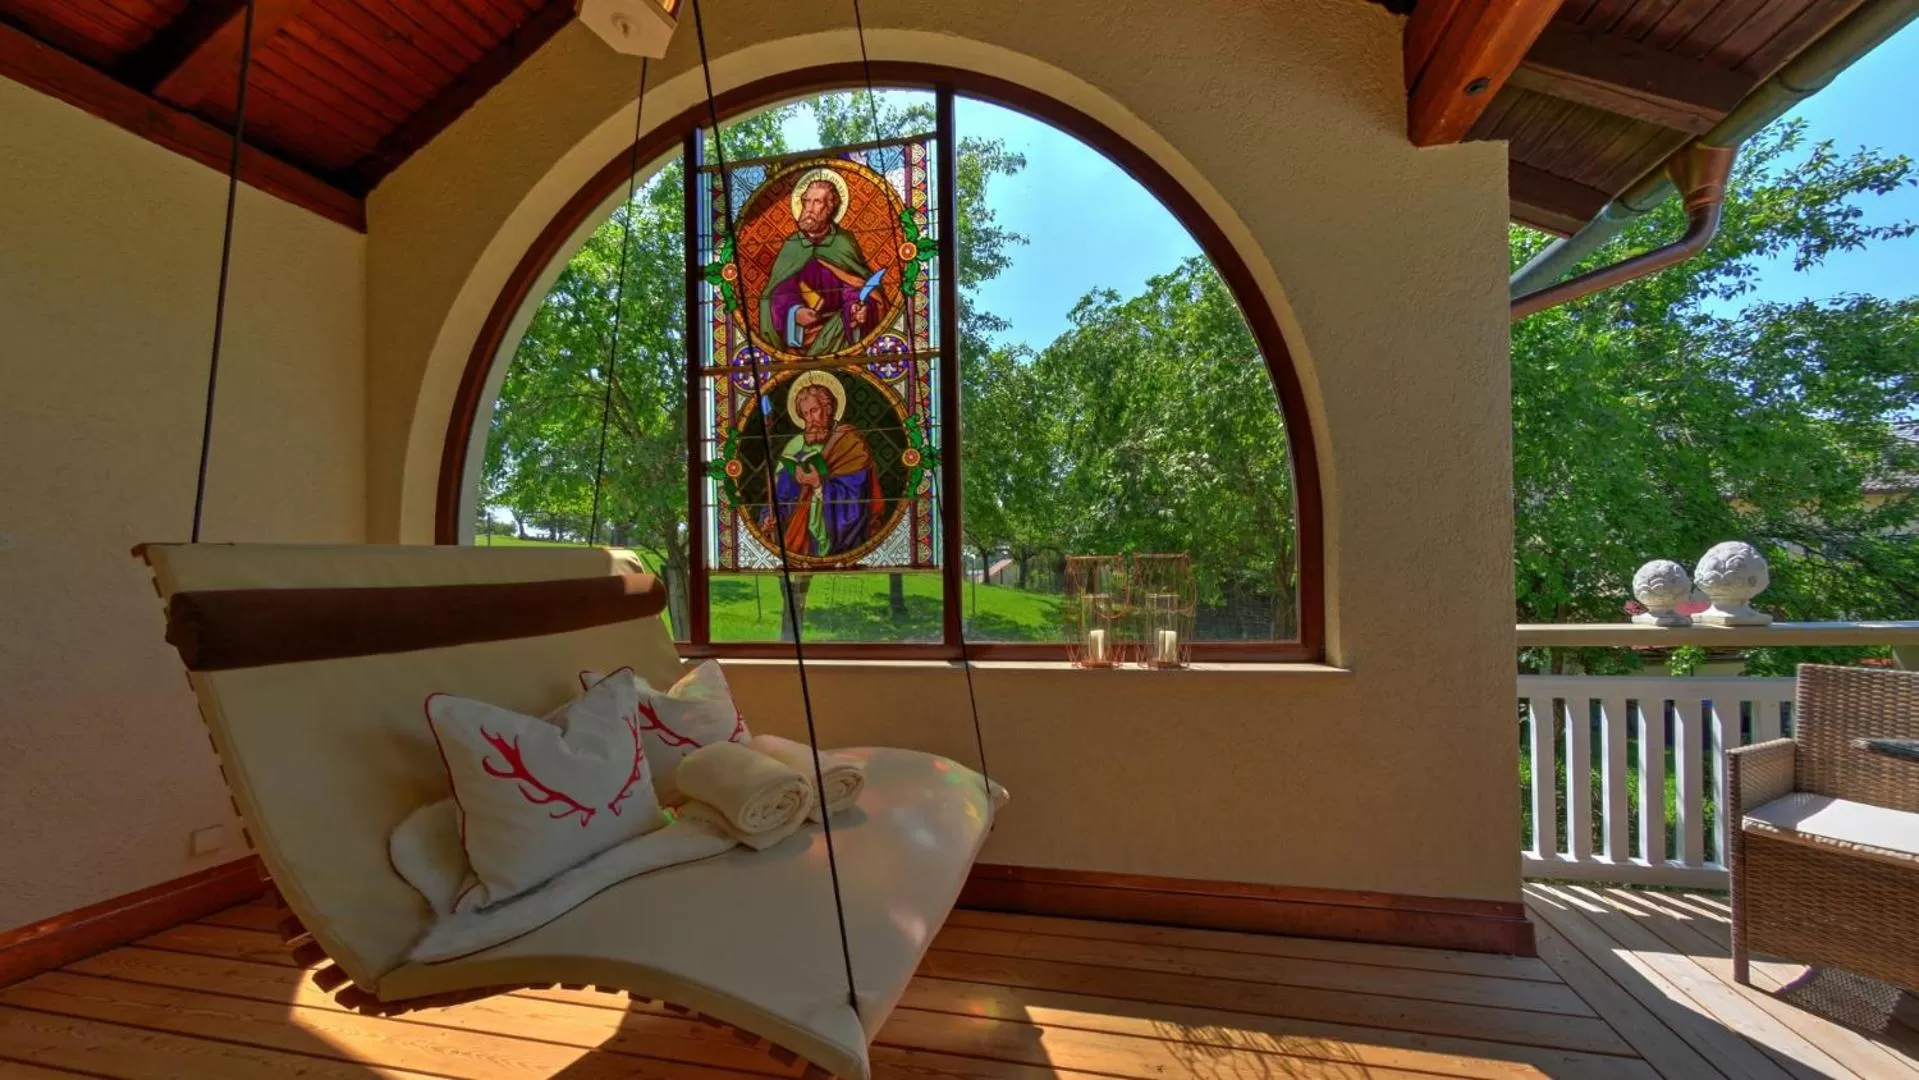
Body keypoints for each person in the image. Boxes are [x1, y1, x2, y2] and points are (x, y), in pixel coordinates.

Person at [760, 174, 885, 356]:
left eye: (817, 202)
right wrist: (795, 312)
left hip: (838, 330)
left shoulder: (843, 243)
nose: (809, 209)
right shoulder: (793, 246)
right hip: (799, 332)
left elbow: (856, 286)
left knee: (841, 326)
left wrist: (858, 309)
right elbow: (778, 291)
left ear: (830, 208)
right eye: (806, 201)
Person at [764, 373, 881, 558]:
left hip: (841, 541)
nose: (811, 419)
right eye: (805, 414)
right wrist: (770, 518)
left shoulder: (850, 443)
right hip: (801, 541)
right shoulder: (795, 446)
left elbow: (858, 499)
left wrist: (819, 486)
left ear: (828, 408)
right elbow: (781, 497)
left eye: (814, 410)